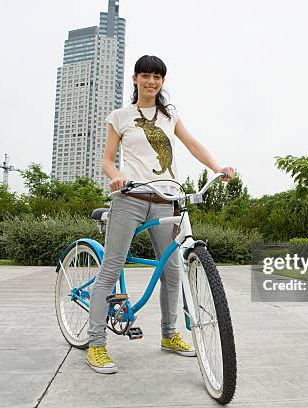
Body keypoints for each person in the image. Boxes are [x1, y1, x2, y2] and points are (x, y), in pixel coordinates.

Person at [86, 55, 235, 374]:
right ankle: (96, 344)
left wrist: (217, 167)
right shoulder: (120, 116)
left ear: (163, 82)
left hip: (167, 200)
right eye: (145, 76)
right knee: (111, 268)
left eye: (157, 77)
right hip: (131, 197)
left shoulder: (170, 115)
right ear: (135, 79)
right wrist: (116, 176)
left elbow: (192, 144)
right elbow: (107, 160)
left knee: (171, 270)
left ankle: (169, 336)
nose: (151, 81)